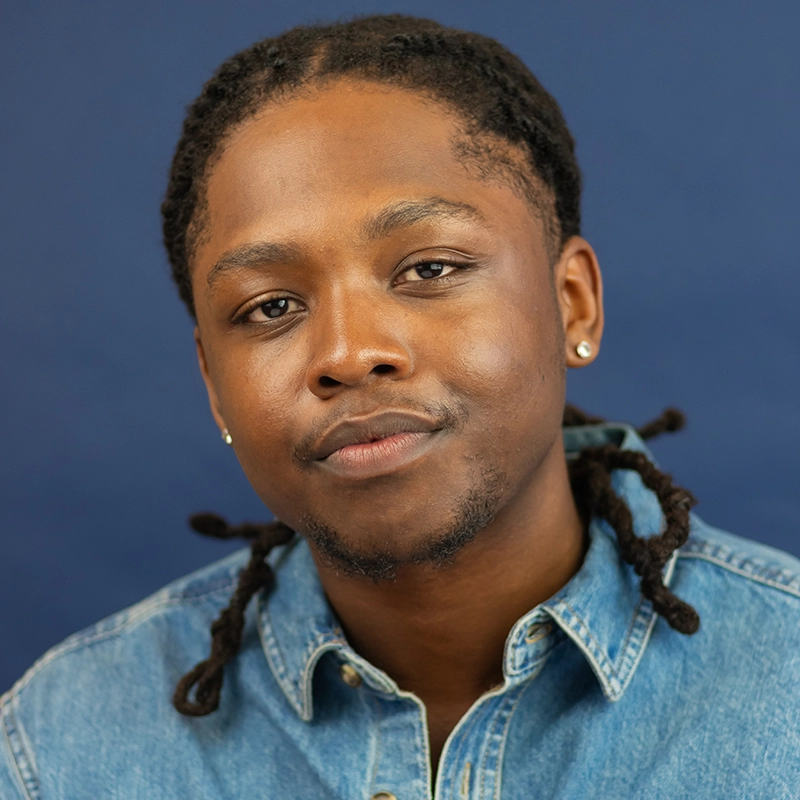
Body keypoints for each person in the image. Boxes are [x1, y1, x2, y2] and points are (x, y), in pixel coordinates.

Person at [2, 14, 798, 799]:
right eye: (272, 307)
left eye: (429, 268)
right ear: (215, 385)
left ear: (574, 305)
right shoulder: (60, 746)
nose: (348, 353)